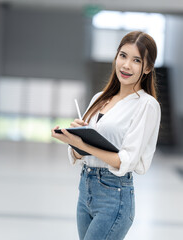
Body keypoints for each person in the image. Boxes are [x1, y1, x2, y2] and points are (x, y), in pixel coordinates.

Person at [51, 31, 161, 240]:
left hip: (114, 196)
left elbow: (124, 161)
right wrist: (75, 141)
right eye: (123, 55)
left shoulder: (147, 105)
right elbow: (80, 155)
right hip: (86, 190)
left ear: (147, 68)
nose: (126, 65)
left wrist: (82, 143)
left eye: (136, 60)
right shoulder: (99, 98)